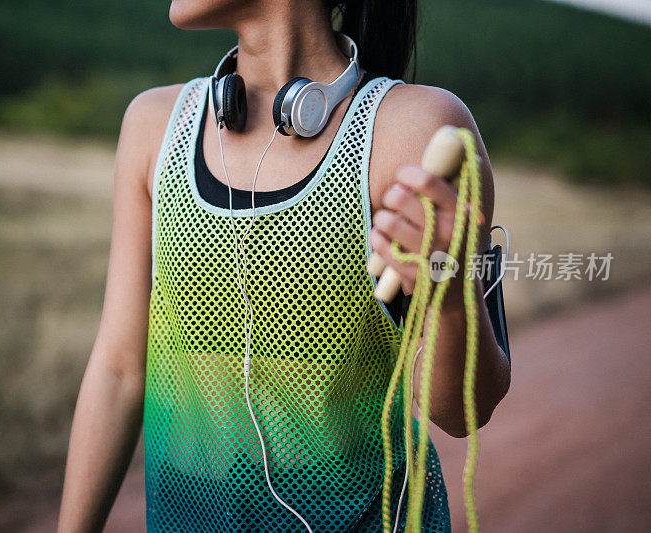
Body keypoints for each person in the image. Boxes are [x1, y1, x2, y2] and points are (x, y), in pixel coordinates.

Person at [57, 0, 511, 531]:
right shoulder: (153, 126)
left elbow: (461, 414)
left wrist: (450, 292)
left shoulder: (418, 131)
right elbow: (118, 369)